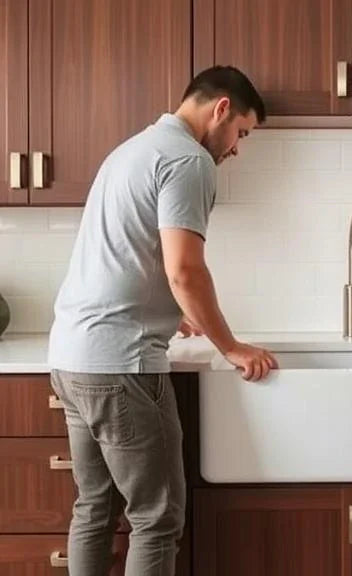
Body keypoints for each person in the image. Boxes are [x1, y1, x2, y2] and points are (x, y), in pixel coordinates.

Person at [47, 65, 277, 576]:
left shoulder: (129, 151)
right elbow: (185, 271)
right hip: (121, 367)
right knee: (157, 518)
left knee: (94, 510)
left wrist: (169, 316)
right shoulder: (190, 161)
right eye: (241, 132)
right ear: (220, 109)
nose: (236, 148)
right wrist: (231, 346)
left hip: (71, 358)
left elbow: (125, 255)